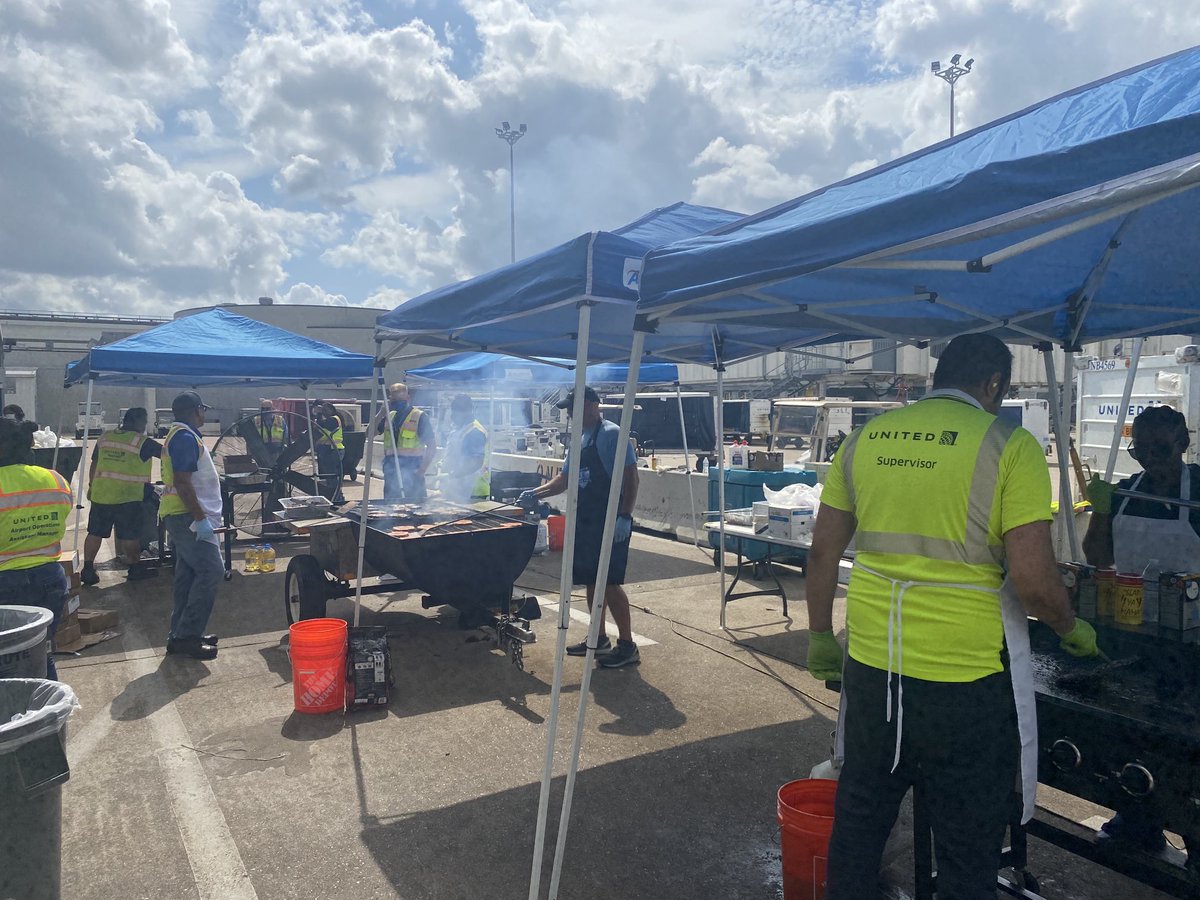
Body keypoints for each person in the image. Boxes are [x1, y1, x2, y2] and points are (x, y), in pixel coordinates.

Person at [804, 333, 1099, 899]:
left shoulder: (864, 439)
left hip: (872, 671)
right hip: (965, 684)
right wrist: (1070, 627)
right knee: (966, 846)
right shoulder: (1009, 446)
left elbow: (822, 552)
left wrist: (821, 635)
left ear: (939, 375)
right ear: (994, 384)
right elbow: (1036, 583)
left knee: (861, 823)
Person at [1082, 404, 1198, 851]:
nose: (1151, 459)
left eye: (1161, 447)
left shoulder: (1199, 488)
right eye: (1140, 450)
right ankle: (1136, 821)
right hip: (1133, 634)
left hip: (1191, 642)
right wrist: (1101, 510)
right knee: (1133, 735)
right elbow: (1097, 557)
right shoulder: (1128, 491)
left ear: (1183, 443)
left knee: (1188, 750)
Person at [519, 387, 641, 668]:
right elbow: (564, 479)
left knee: (609, 582)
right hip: (587, 518)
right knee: (590, 579)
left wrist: (624, 515)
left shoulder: (612, 434)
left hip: (610, 520)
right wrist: (535, 494)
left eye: (572, 407)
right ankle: (597, 638)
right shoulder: (580, 438)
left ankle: (627, 645)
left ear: (590, 405)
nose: (569, 413)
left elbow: (631, 478)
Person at [0, 418, 73, 677]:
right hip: (49, 579)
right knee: (39, 653)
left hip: (6, 582)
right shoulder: (55, 480)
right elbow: (64, 511)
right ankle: (46, 709)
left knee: (7, 660)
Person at [159, 391, 222, 660]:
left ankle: (181, 634)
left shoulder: (182, 436)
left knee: (187, 576)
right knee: (211, 571)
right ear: (196, 410)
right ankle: (187, 636)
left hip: (184, 516)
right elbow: (183, 483)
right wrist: (200, 520)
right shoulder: (184, 437)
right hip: (188, 518)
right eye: (203, 409)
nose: (204, 414)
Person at [81, 407, 162, 585]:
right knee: (129, 535)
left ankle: (87, 569)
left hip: (101, 495)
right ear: (139, 422)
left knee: (95, 532)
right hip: (128, 497)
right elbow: (168, 455)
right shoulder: (142, 442)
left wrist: (92, 486)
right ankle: (135, 568)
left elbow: (94, 464)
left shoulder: (105, 438)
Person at [376, 382, 435, 501]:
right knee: (391, 505)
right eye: (395, 399)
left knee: (415, 505)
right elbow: (369, 433)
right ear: (390, 400)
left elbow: (431, 446)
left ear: (408, 397)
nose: (398, 403)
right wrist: (381, 412)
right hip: (391, 469)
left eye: (401, 399)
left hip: (413, 469)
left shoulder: (419, 416)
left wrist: (421, 470)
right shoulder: (389, 416)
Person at [440, 394, 490, 502]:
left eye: (459, 410)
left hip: (473, 490)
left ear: (469, 411)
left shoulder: (475, 432)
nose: (453, 415)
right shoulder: (458, 428)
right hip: (457, 488)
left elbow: (476, 462)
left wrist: (452, 475)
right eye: (454, 410)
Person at [313, 402, 346, 504]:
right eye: (323, 410)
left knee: (332, 476)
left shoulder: (333, 419)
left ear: (332, 410)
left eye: (326, 410)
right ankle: (334, 497)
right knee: (329, 476)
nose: (324, 412)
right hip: (329, 450)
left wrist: (318, 414)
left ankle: (337, 498)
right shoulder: (330, 419)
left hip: (334, 450)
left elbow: (320, 425)